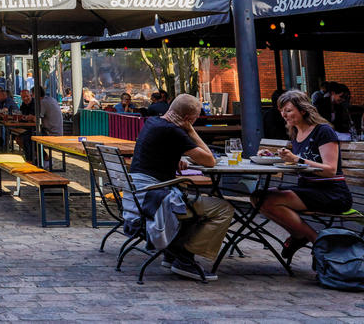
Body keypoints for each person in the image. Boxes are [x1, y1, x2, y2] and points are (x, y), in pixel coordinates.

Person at [126, 93, 234, 281]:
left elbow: (158, 153)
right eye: (194, 119)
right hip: (156, 200)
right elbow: (210, 160)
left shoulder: (153, 123)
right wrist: (191, 131)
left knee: (192, 202)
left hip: (140, 196)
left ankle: (173, 252)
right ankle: (184, 258)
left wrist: (175, 158)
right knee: (223, 208)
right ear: (187, 119)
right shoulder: (173, 131)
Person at [257, 90, 353, 260]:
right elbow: (300, 161)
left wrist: (297, 159)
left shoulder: (323, 131)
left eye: (288, 110)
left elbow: (330, 169)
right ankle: (300, 236)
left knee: (267, 199)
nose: (283, 115)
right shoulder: (296, 132)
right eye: (281, 111)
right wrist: (274, 157)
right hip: (308, 189)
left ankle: (316, 240)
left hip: (332, 193)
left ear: (303, 110)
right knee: (257, 198)